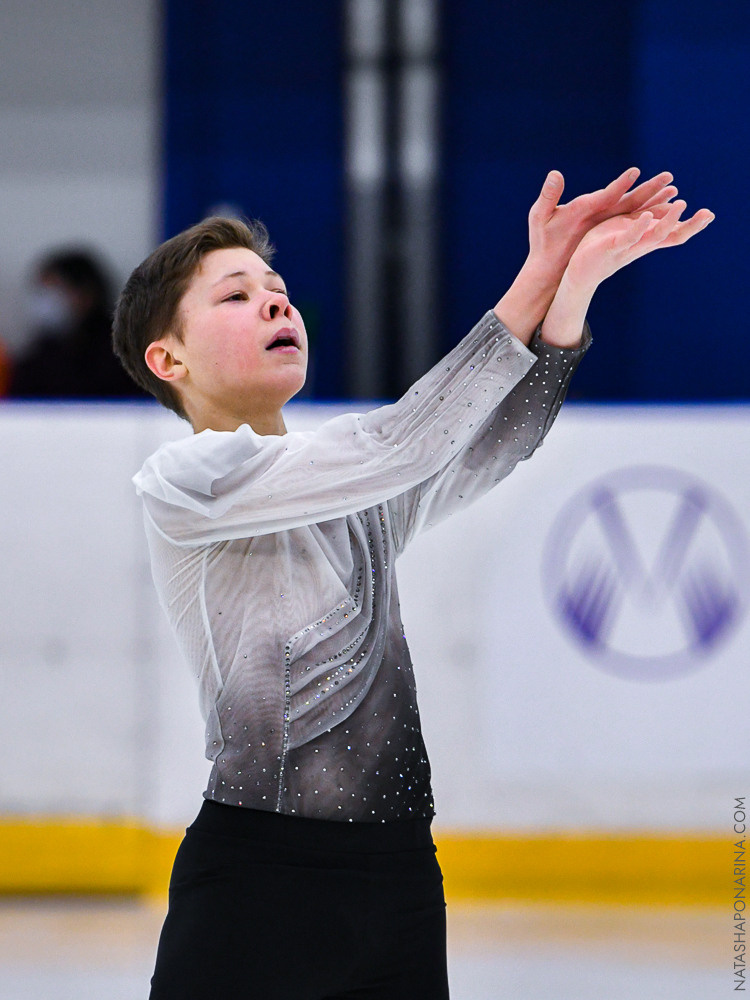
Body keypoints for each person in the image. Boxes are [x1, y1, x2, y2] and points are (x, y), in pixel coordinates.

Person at [112, 168, 712, 999]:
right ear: (166, 357)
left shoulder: (352, 490)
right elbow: (403, 444)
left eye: (278, 290)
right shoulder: (185, 479)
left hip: (398, 881)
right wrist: (535, 275)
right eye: (236, 297)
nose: (276, 304)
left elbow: (489, 443)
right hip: (258, 885)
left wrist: (573, 292)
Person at [9, 248, 145, 399]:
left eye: (55, 291)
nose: (45, 303)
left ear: (86, 294)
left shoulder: (125, 356)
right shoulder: (36, 360)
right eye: (42, 292)